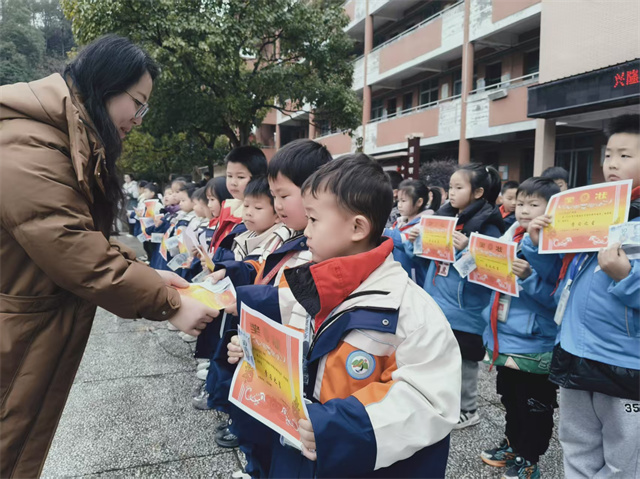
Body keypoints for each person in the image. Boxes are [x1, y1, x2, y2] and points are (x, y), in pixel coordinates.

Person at [0, 35, 217, 478]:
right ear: (104, 85)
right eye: (136, 103)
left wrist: (153, 276)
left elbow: (84, 238)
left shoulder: (58, 135)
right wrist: (168, 302)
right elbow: (73, 250)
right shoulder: (26, 144)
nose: (137, 119)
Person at [228, 154, 461, 478]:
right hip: (297, 457)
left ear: (357, 227)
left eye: (314, 220)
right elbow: (298, 355)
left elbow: (430, 401)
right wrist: (257, 351)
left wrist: (335, 427)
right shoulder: (312, 286)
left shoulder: (412, 312)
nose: (304, 230)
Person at [523, 114, 640, 478]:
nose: (612, 165)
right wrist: (535, 244)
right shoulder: (592, 209)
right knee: (576, 445)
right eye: (608, 155)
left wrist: (628, 278)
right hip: (575, 350)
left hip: (625, 360)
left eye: (625, 155)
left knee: (625, 457)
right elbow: (560, 280)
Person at [207, 139, 332, 478]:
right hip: (267, 350)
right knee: (259, 432)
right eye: (273, 196)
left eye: (283, 196)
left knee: (274, 438)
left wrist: (243, 301)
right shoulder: (294, 235)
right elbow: (261, 269)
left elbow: (298, 299)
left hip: (289, 363)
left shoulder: (318, 246)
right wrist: (232, 271)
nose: (276, 205)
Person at [480, 177, 561, 479]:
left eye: (534, 204)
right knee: (510, 398)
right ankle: (514, 444)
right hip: (506, 337)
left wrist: (528, 276)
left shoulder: (554, 243)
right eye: (521, 202)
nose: (524, 209)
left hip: (535, 341)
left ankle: (530, 457)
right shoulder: (511, 234)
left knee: (535, 405)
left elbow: (556, 297)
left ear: (552, 208)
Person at [421, 164, 505, 430]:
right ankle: (444, 403)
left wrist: (468, 247)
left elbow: (496, 266)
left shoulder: (488, 226)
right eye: (450, 188)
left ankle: (468, 409)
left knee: (465, 360)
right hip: (440, 300)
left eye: (459, 188)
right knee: (442, 357)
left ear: (479, 192)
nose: (451, 194)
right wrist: (417, 239)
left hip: (467, 307)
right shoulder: (447, 219)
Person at [209, 146, 268, 255]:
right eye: (229, 176)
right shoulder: (228, 207)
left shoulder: (259, 214)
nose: (233, 182)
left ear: (259, 177)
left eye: (240, 177)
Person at [383, 179, 439, 285]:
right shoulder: (399, 223)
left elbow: (404, 240)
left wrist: (383, 231)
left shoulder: (426, 224)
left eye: (403, 201)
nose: (399, 205)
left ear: (419, 202)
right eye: (398, 200)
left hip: (415, 281)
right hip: (399, 277)